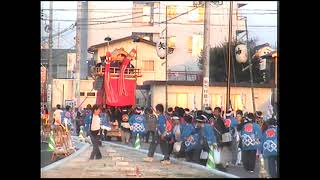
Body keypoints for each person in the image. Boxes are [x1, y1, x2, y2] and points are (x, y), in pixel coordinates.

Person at [212, 107, 230, 171]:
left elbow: (222, 130)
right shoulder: (213, 119)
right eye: (214, 111)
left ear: (219, 113)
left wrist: (221, 139)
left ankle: (220, 165)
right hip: (215, 138)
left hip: (219, 138)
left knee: (219, 152)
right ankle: (217, 163)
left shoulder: (221, 120)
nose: (215, 112)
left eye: (216, 111)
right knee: (216, 151)